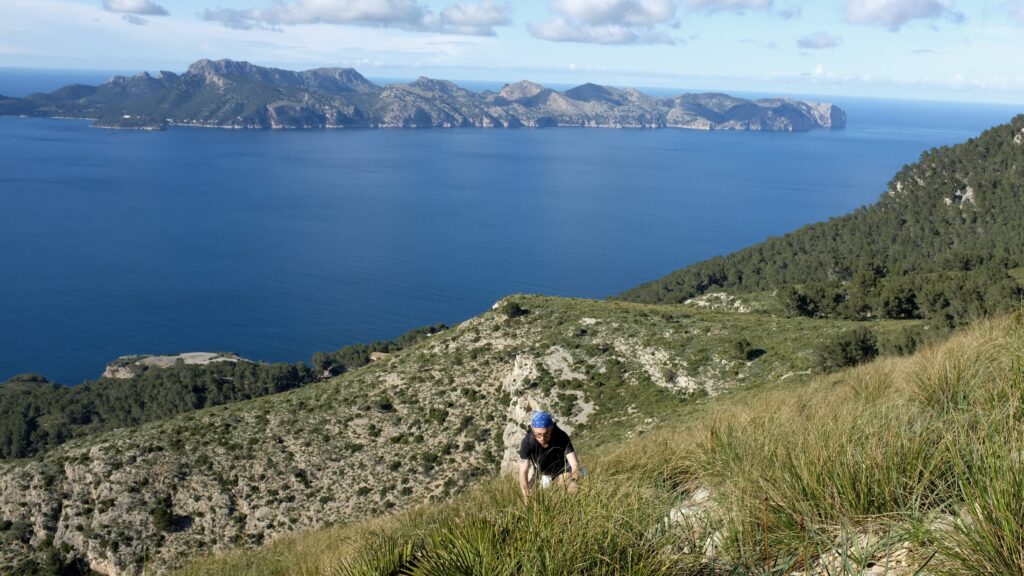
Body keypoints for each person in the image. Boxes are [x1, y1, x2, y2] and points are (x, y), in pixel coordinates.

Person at [518, 410, 582, 502]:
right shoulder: (527, 442)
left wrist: (574, 480)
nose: (542, 438)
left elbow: (574, 464)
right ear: (532, 429)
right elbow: (523, 472)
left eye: (546, 434)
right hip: (543, 472)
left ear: (551, 428)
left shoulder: (561, 436)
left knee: (569, 488)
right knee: (534, 498)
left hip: (562, 469)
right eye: (538, 434)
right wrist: (526, 495)